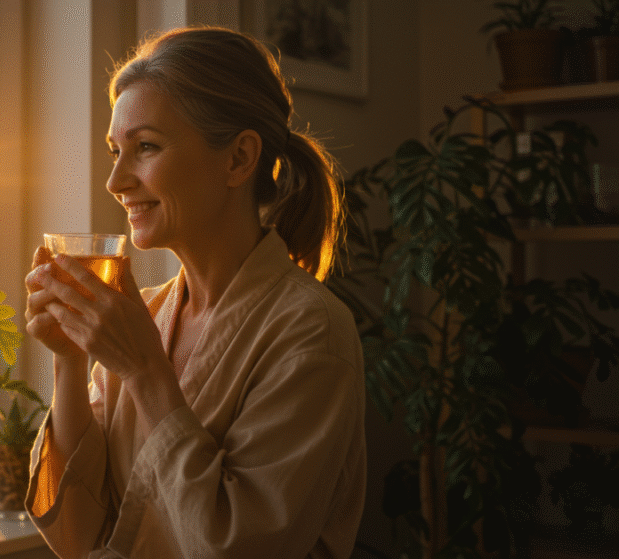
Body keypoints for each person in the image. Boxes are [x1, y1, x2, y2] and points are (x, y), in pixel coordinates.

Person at [23, 26, 365, 559]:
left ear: (238, 159)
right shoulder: (144, 314)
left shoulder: (312, 331)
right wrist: (69, 359)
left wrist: (145, 370)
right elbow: (75, 534)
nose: (115, 181)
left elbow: (240, 547)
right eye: (115, 151)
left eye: (146, 147)